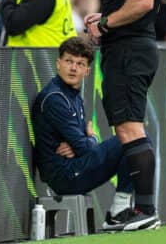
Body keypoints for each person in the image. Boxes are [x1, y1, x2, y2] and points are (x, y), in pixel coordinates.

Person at [84, 0, 161, 229]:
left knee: (130, 128)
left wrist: (105, 23)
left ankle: (145, 211)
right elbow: (135, 1)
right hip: (129, 48)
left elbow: (143, 1)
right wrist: (107, 15)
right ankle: (137, 209)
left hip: (130, 50)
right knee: (126, 128)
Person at [31, 37, 138, 232]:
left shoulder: (73, 96)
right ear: (58, 63)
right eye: (69, 61)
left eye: (80, 64)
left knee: (137, 143)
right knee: (130, 141)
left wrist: (83, 142)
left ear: (87, 71)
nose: (73, 68)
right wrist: (92, 138)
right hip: (64, 175)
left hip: (73, 168)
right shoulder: (54, 98)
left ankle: (122, 208)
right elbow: (84, 146)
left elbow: (81, 145)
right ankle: (119, 211)